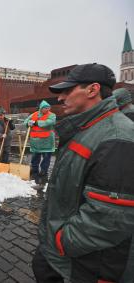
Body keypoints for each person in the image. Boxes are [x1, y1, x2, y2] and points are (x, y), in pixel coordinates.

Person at [32, 63, 134, 283]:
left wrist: (61, 241)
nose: (60, 98)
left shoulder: (117, 138)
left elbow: (108, 218)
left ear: (92, 90)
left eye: (68, 91)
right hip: (65, 259)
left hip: (82, 265)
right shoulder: (87, 129)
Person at [24, 100, 56, 184]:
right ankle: (34, 170)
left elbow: (49, 122)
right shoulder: (33, 114)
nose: (47, 109)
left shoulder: (52, 115)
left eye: (48, 108)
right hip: (35, 142)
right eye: (45, 108)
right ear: (41, 108)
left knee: (46, 158)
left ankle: (43, 171)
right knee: (35, 158)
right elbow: (25, 122)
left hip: (47, 142)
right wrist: (28, 123)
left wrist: (36, 122)